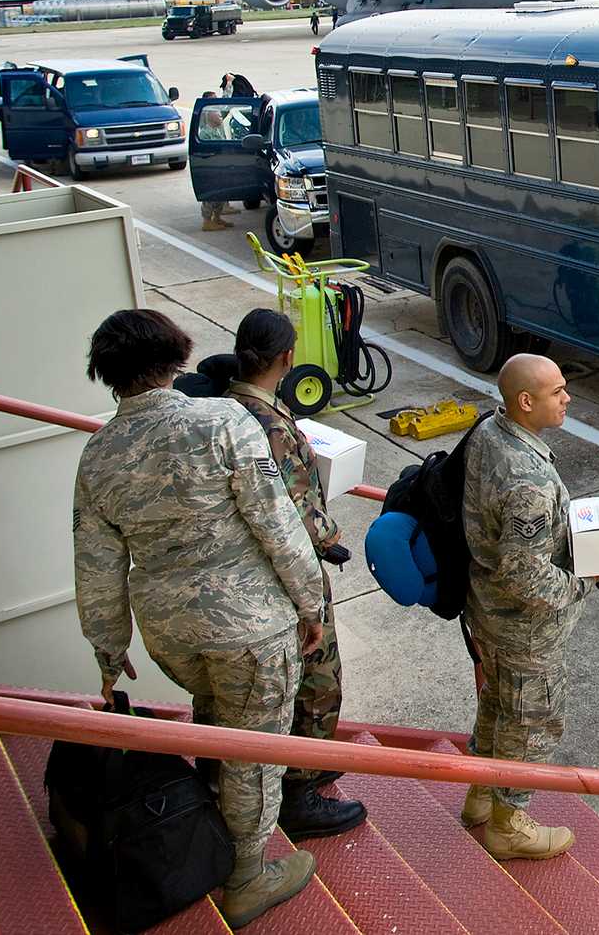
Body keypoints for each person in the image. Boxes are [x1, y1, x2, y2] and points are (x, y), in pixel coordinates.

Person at [72, 309, 334, 927]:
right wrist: (311, 603)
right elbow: (278, 524)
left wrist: (109, 651)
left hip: (169, 630)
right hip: (248, 625)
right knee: (254, 748)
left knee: (215, 717)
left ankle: (215, 833)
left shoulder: (98, 453)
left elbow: (96, 565)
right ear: (177, 355)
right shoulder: (221, 422)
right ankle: (247, 875)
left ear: (107, 374)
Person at [223, 309, 367, 841]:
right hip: (291, 572)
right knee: (316, 675)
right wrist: (329, 540)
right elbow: (291, 501)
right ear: (286, 359)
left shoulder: (228, 407)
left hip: (253, 572)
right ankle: (299, 789)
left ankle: (299, 764)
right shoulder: (266, 423)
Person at [459, 353, 589, 860]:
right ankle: (508, 822)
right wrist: (582, 583)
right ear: (525, 401)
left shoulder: (490, 430)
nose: (567, 398)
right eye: (558, 391)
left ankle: (480, 794)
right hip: (523, 626)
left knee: (496, 703)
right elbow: (523, 571)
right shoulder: (526, 478)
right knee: (530, 717)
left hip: (486, 610)